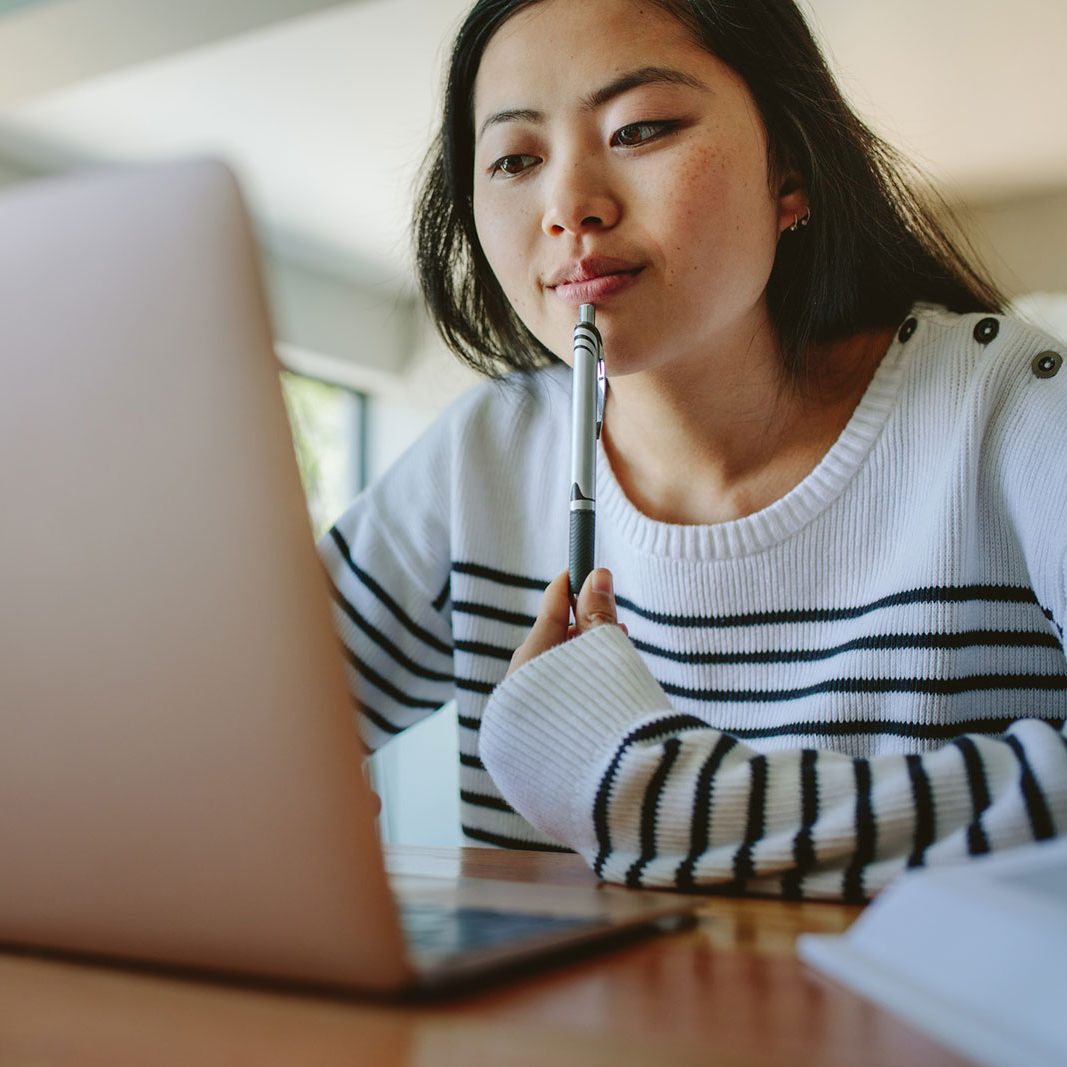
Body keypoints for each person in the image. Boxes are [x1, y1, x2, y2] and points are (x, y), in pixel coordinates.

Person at [320, 0, 1067, 900]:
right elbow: (221, 731)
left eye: (640, 129)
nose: (569, 208)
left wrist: (652, 796)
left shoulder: (1015, 404)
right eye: (515, 158)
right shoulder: (479, 453)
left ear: (788, 167)